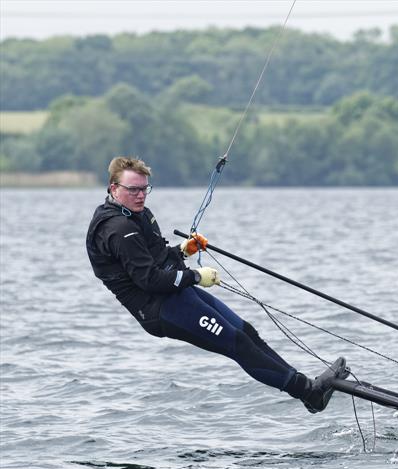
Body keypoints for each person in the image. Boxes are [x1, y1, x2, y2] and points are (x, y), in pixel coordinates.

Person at [86, 156, 348, 413]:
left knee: (247, 332)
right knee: (238, 344)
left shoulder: (138, 214)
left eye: (144, 189)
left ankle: (309, 390)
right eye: (133, 189)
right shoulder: (118, 229)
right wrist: (197, 276)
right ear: (113, 188)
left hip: (175, 293)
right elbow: (151, 280)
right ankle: (309, 392)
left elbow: (158, 259)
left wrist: (183, 251)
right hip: (159, 309)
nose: (141, 195)